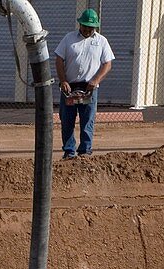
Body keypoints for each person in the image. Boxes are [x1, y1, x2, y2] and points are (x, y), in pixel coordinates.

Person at [54, 9, 114, 160]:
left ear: (96, 27)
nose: (87, 30)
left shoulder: (101, 41)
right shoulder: (69, 39)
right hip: (70, 87)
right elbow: (59, 59)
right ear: (80, 24)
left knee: (87, 120)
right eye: (85, 26)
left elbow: (107, 64)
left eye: (91, 27)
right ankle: (69, 151)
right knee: (67, 119)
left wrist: (96, 81)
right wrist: (63, 81)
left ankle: (85, 151)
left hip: (89, 88)